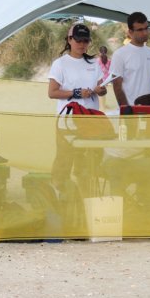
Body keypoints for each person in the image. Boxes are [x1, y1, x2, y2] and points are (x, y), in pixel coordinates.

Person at [48, 23, 107, 191]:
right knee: (64, 161)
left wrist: (100, 90)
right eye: (78, 40)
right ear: (69, 39)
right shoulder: (60, 64)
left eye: (86, 40)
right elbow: (52, 92)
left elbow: (102, 89)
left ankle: (84, 197)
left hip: (90, 122)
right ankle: (59, 196)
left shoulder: (94, 63)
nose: (82, 44)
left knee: (87, 164)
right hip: (67, 123)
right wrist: (76, 93)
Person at [110, 12, 150, 108]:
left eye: (146, 28)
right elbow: (117, 86)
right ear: (130, 32)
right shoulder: (120, 54)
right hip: (132, 111)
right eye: (140, 30)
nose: (145, 32)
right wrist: (127, 111)